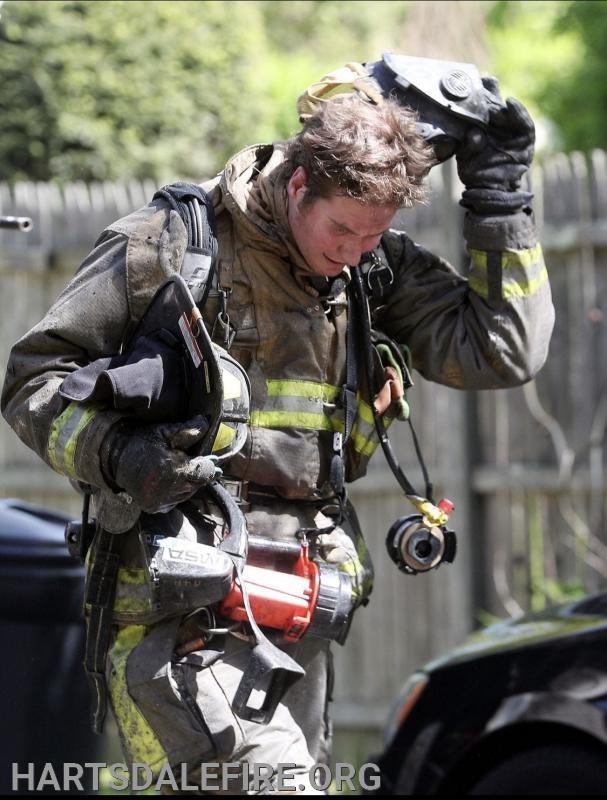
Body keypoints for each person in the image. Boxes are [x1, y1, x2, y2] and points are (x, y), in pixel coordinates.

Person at [1, 62, 554, 794]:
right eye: (343, 230)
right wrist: (124, 454)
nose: (355, 252)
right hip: (172, 616)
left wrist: (498, 195)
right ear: (297, 186)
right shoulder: (169, 245)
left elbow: (500, 349)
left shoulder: (366, 265)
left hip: (297, 610)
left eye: (375, 235)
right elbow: (31, 380)